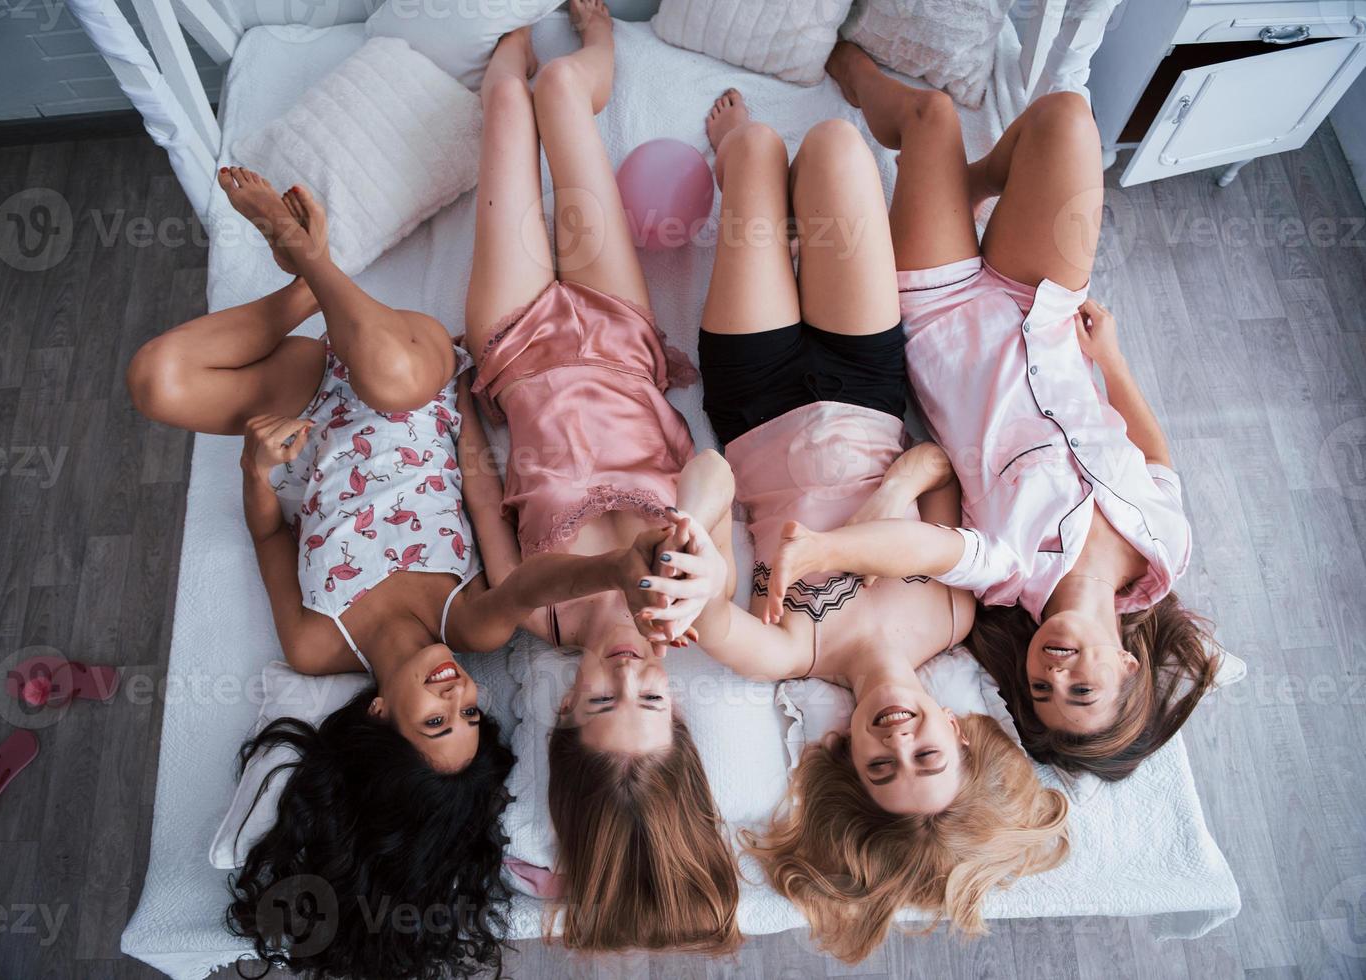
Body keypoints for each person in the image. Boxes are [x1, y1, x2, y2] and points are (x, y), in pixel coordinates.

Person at [125, 137, 675, 977]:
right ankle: (316, 261)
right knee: (386, 377)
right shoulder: (470, 623)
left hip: (315, 397)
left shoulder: (317, 644)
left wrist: (256, 469)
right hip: (413, 377)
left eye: (435, 721)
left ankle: (303, 287)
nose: (460, 697)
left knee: (156, 381)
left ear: (380, 717)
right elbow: (532, 574)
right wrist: (610, 568)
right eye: (471, 718)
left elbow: (270, 534)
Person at [635, 92, 1068, 961]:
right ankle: (802, 220)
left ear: (839, 751)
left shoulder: (787, 651)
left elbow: (714, 605)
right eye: (926, 758)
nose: (901, 742)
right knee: (835, 144)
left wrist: (692, 575)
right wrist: (884, 501)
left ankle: (745, 179)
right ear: (957, 734)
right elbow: (935, 461)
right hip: (865, 379)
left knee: (756, 148)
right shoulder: (952, 615)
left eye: (881, 768)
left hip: (753, 394)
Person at [771, 43, 1225, 781]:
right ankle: (976, 186)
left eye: (1042, 692)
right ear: (1129, 669)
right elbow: (1155, 461)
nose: (1056, 673)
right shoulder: (1164, 549)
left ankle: (860, 84)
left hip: (942, 313)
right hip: (1040, 306)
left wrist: (823, 553)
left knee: (931, 116)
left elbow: (922, 551)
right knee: (1066, 119)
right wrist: (1110, 360)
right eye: (1081, 688)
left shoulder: (1006, 575)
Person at [459, 2, 739, 952]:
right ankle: (603, 46)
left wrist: (453, 408)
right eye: (650, 702)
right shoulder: (695, 602)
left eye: (600, 705)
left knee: (507, 101)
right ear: (679, 708)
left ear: (563, 713)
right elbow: (709, 466)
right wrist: (692, 534)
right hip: (621, 339)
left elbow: (476, 483)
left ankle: (497, 18)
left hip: (513, 347)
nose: (627, 676)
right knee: (560, 92)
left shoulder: (540, 614)